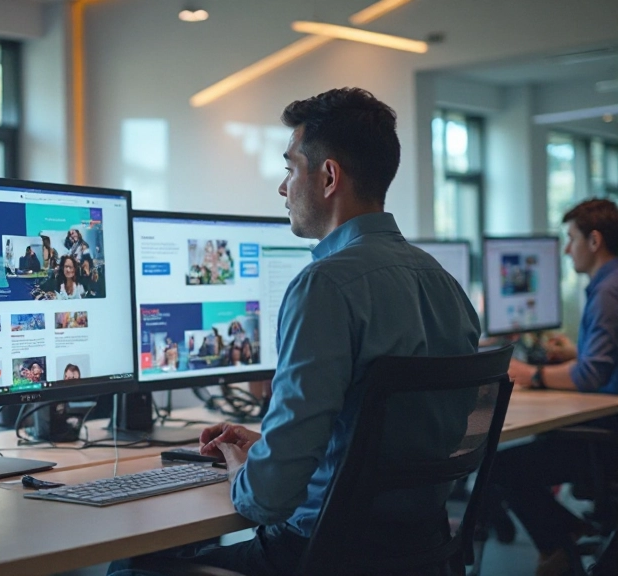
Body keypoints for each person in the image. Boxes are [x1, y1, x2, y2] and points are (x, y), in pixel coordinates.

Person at [109, 88, 479, 576]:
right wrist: (268, 444)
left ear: (328, 177)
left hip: (318, 555)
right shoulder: (446, 284)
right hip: (416, 552)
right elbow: (386, 439)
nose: (283, 189)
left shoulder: (325, 286)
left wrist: (243, 467)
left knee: (130, 567)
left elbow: (267, 501)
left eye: (289, 169)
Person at [489, 198, 618, 575]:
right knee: (537, 448)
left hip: (608, 439)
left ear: (594, 241)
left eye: (571, 238)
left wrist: (530, 374)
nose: (566, 249)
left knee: (501, 465)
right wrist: (577, 352)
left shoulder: (607, 290)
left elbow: (589, 376)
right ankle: (570, 533)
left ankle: (560, 546)